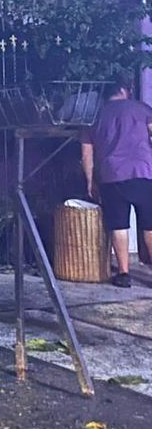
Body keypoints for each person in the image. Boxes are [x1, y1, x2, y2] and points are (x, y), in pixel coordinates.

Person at [81, 79, 152, 287]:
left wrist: (89, 181)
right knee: (150, 226)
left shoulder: (94, 117)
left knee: (119, 225)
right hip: (144, 172)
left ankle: (123, 273)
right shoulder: (141, 108)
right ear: (124, 90)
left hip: (112, 176)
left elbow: (86, 153)